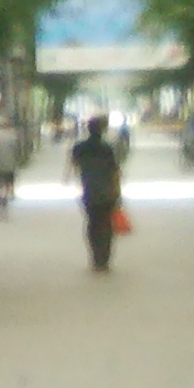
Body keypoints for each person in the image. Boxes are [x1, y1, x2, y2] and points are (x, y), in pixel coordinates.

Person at [70, 114, 125, 271]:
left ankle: (95, 257)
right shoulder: (107, 149)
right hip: (107, 191)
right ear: (102, 130)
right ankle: (104, 259)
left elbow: (74, 164)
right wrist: (118, 192)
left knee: (92, 223)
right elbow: (115, 172)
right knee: (107, 225)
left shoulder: (79, 147)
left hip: (89, 190)